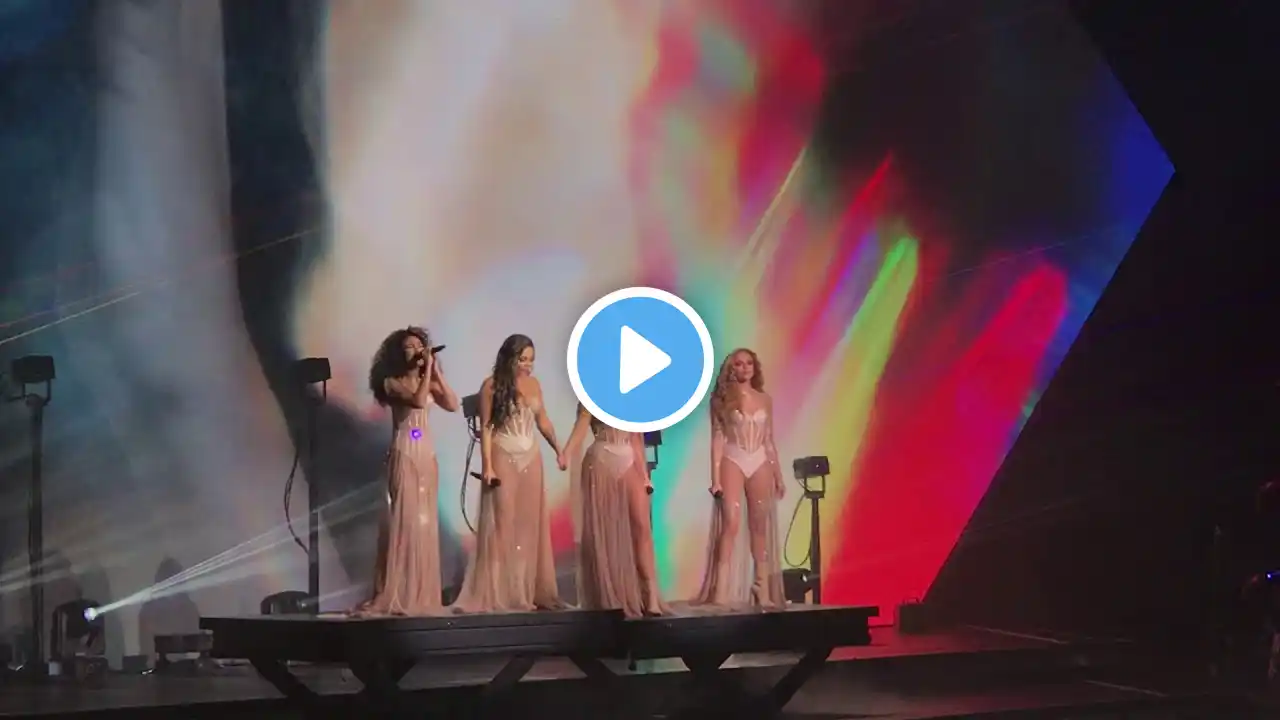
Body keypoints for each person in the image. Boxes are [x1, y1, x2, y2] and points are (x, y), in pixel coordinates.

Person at [451, 334, 566, 612]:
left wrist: (558, 449)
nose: (527, 365)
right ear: (509, 358)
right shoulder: (491, 386)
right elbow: (487, 428)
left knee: (528, 526)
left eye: (531, 360)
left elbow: (543, 420)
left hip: (531, 457)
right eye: (522, 359)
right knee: (502, 524)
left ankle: (525, 591)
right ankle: (499, 592)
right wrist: (487, 466)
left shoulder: (534, 385)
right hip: (503, 454)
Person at [355, 326, 460, 615]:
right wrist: (426, 376)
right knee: (404, 520)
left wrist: (435, 371)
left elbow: (453, 404)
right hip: (405, 451)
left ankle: (421, 590)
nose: (416, 351)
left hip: (426, 453)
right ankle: (397, 590)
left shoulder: (428, 379)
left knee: (425, 523)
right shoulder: (392, 382)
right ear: (399, 353)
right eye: (410, 347)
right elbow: (417, 400)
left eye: (419, 346)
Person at [694, 348, 787, 609]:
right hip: (733, 458)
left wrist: (779, 476)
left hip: (760, 460)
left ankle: (761, 586)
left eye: (749, 363)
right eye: (738, 364)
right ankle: (721, 589)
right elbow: (717, 439)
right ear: (731, 368)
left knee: (759, 525)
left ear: (755, 368)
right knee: (731, 522)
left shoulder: (765, 399)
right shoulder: (721, 400)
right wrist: (715, 479)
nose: (744, 368)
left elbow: (769, 440)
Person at [560, 404, 665, 617]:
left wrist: (644, 476)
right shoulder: (591, 397)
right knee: (605, 531)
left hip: (628, 459)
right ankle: (612, 594)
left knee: (642, 527)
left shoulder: (630, 398)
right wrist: (566, 453)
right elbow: (581, 427)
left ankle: (650, 595)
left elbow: (636, 438)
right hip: (600, 460)